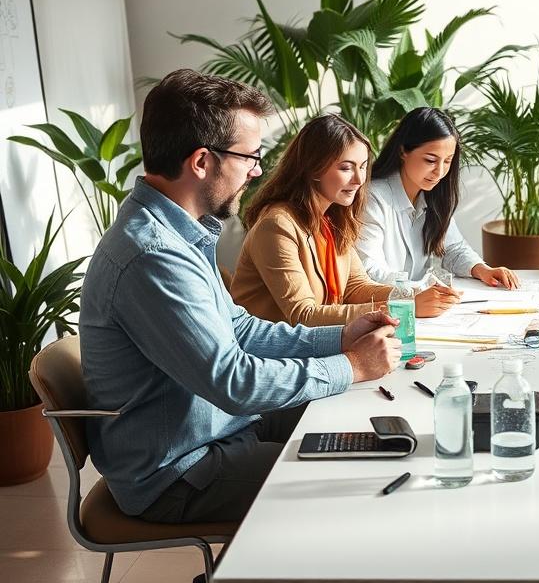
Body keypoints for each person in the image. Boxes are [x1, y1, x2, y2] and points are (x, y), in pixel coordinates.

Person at [79, 69, 401, 525]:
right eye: (249, 156)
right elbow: (233, 382)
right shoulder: (153, 256)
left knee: (356, 422)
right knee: (357, 479)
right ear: (201, 162)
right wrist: (350, 364)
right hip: (179, 470)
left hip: (216, 429)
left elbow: (241, 328)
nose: (256, 170)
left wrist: (340, 336)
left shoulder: (181, 234)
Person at [231, 114, 460, 321]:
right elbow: (303, 314)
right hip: (270, 356)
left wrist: (415, 295)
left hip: (314, 347)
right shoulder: (277, 226)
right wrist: (404, 306)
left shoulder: (332, 219)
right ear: (313, 168)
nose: (359, 179)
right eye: (346, 168)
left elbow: (356, 287)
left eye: (362, 167)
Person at [356, 107, 519, 291]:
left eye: (447, 161)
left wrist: (482, 269)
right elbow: (369, 270)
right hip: (384, 306)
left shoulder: (432, 195)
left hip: (416, 307)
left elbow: (454, 248)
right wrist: (420, 290)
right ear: (403, 151)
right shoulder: (372, 198)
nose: (440, 172)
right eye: (430, 160)